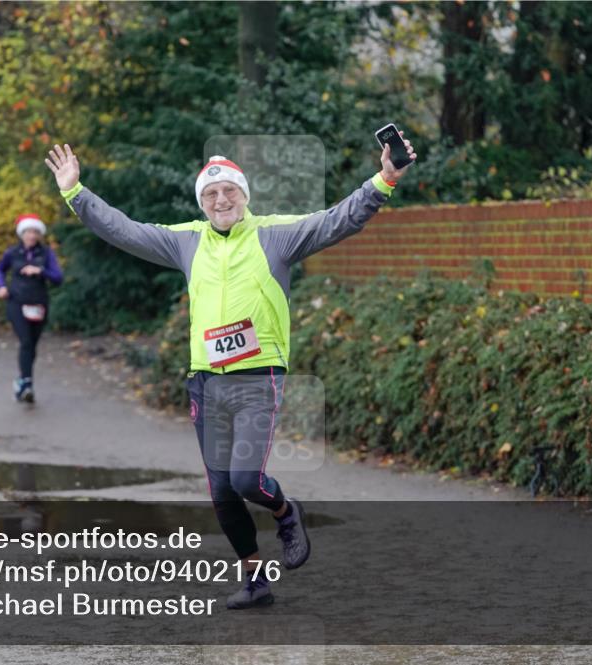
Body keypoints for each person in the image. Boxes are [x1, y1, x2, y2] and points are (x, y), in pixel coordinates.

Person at [44, 134, 416, 608]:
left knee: (245, 480)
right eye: (211, 194)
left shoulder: (274, 236)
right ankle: (256, 581)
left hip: (258, 377)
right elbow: (125, 230)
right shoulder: (186, 242)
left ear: (244, 196)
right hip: (206, 381)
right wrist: (76, 193)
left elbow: (336, 221)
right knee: (221, 491)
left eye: (230, 192)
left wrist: (384, 180)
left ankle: (285, 512)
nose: (221, 200)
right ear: (203, 203)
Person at [0, 214, 63, 403]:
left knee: (32, 344)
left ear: (40, 234)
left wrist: (40, 271)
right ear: (22, 234)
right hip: (17, 302)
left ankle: (22, 381)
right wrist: (1, 287)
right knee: (25, 341)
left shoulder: (46, 253)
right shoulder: (12, 253)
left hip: (39, 304)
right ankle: (27, 383)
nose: (32, 236)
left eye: (35, 232)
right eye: (29, 232)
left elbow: (58, 278)